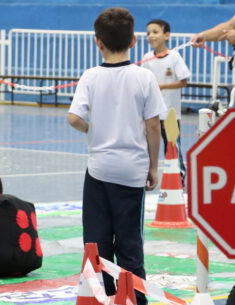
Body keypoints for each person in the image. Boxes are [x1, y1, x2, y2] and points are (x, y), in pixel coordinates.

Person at [67, 7, 164, 305]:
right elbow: (152, 126)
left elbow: (73, 118)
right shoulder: (144, 77)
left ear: (98, 42)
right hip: (131, 172)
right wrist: (153, 166)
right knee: (130, 243)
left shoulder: (90, 76)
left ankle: (106, 297)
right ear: (134, 40)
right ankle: (135, 299)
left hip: (98, 172)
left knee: (97, 243)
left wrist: (95, 130)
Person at [141, 19, 190, 183]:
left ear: (166, 35)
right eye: (148, 33)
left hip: (170, 113)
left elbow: (184, 80)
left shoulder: (174, 57)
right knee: (148, 145)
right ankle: (147, 174)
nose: (151, 36)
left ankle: (178, 175)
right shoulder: (147, 58)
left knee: (173, 145)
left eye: (155, 32)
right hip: (152, 114)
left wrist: (161, 86)